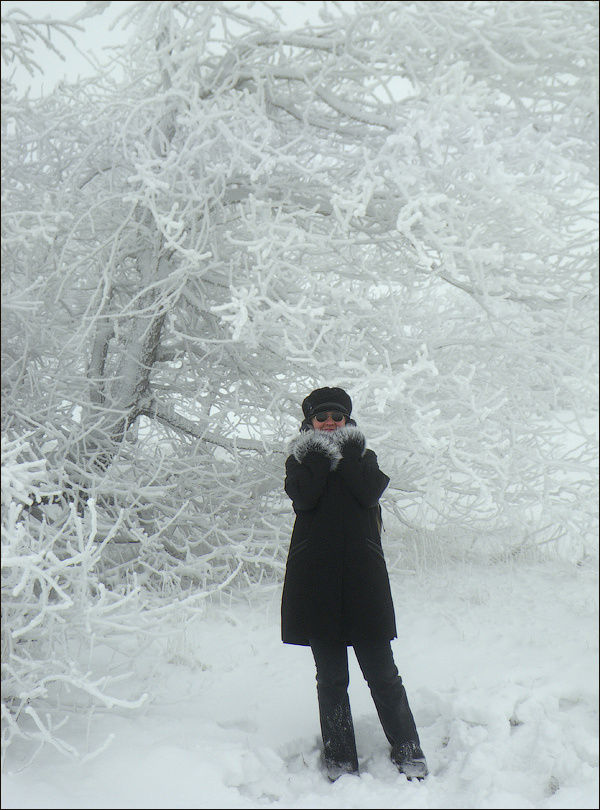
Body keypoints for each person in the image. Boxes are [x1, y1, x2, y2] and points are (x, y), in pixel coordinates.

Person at [281, 386, 428, 782]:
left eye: (337, 417)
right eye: (321, 417)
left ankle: (410, 751)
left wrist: (345, 452)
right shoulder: (299, 461)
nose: (329, 423)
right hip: (317, 585)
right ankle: (341, 760)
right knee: (331, 679)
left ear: (347, 420)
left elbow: (368, 493)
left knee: (383, 674)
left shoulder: (364, 458)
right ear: (309, 422)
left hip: (364, 584)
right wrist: (317, 455)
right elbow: (305, 498)